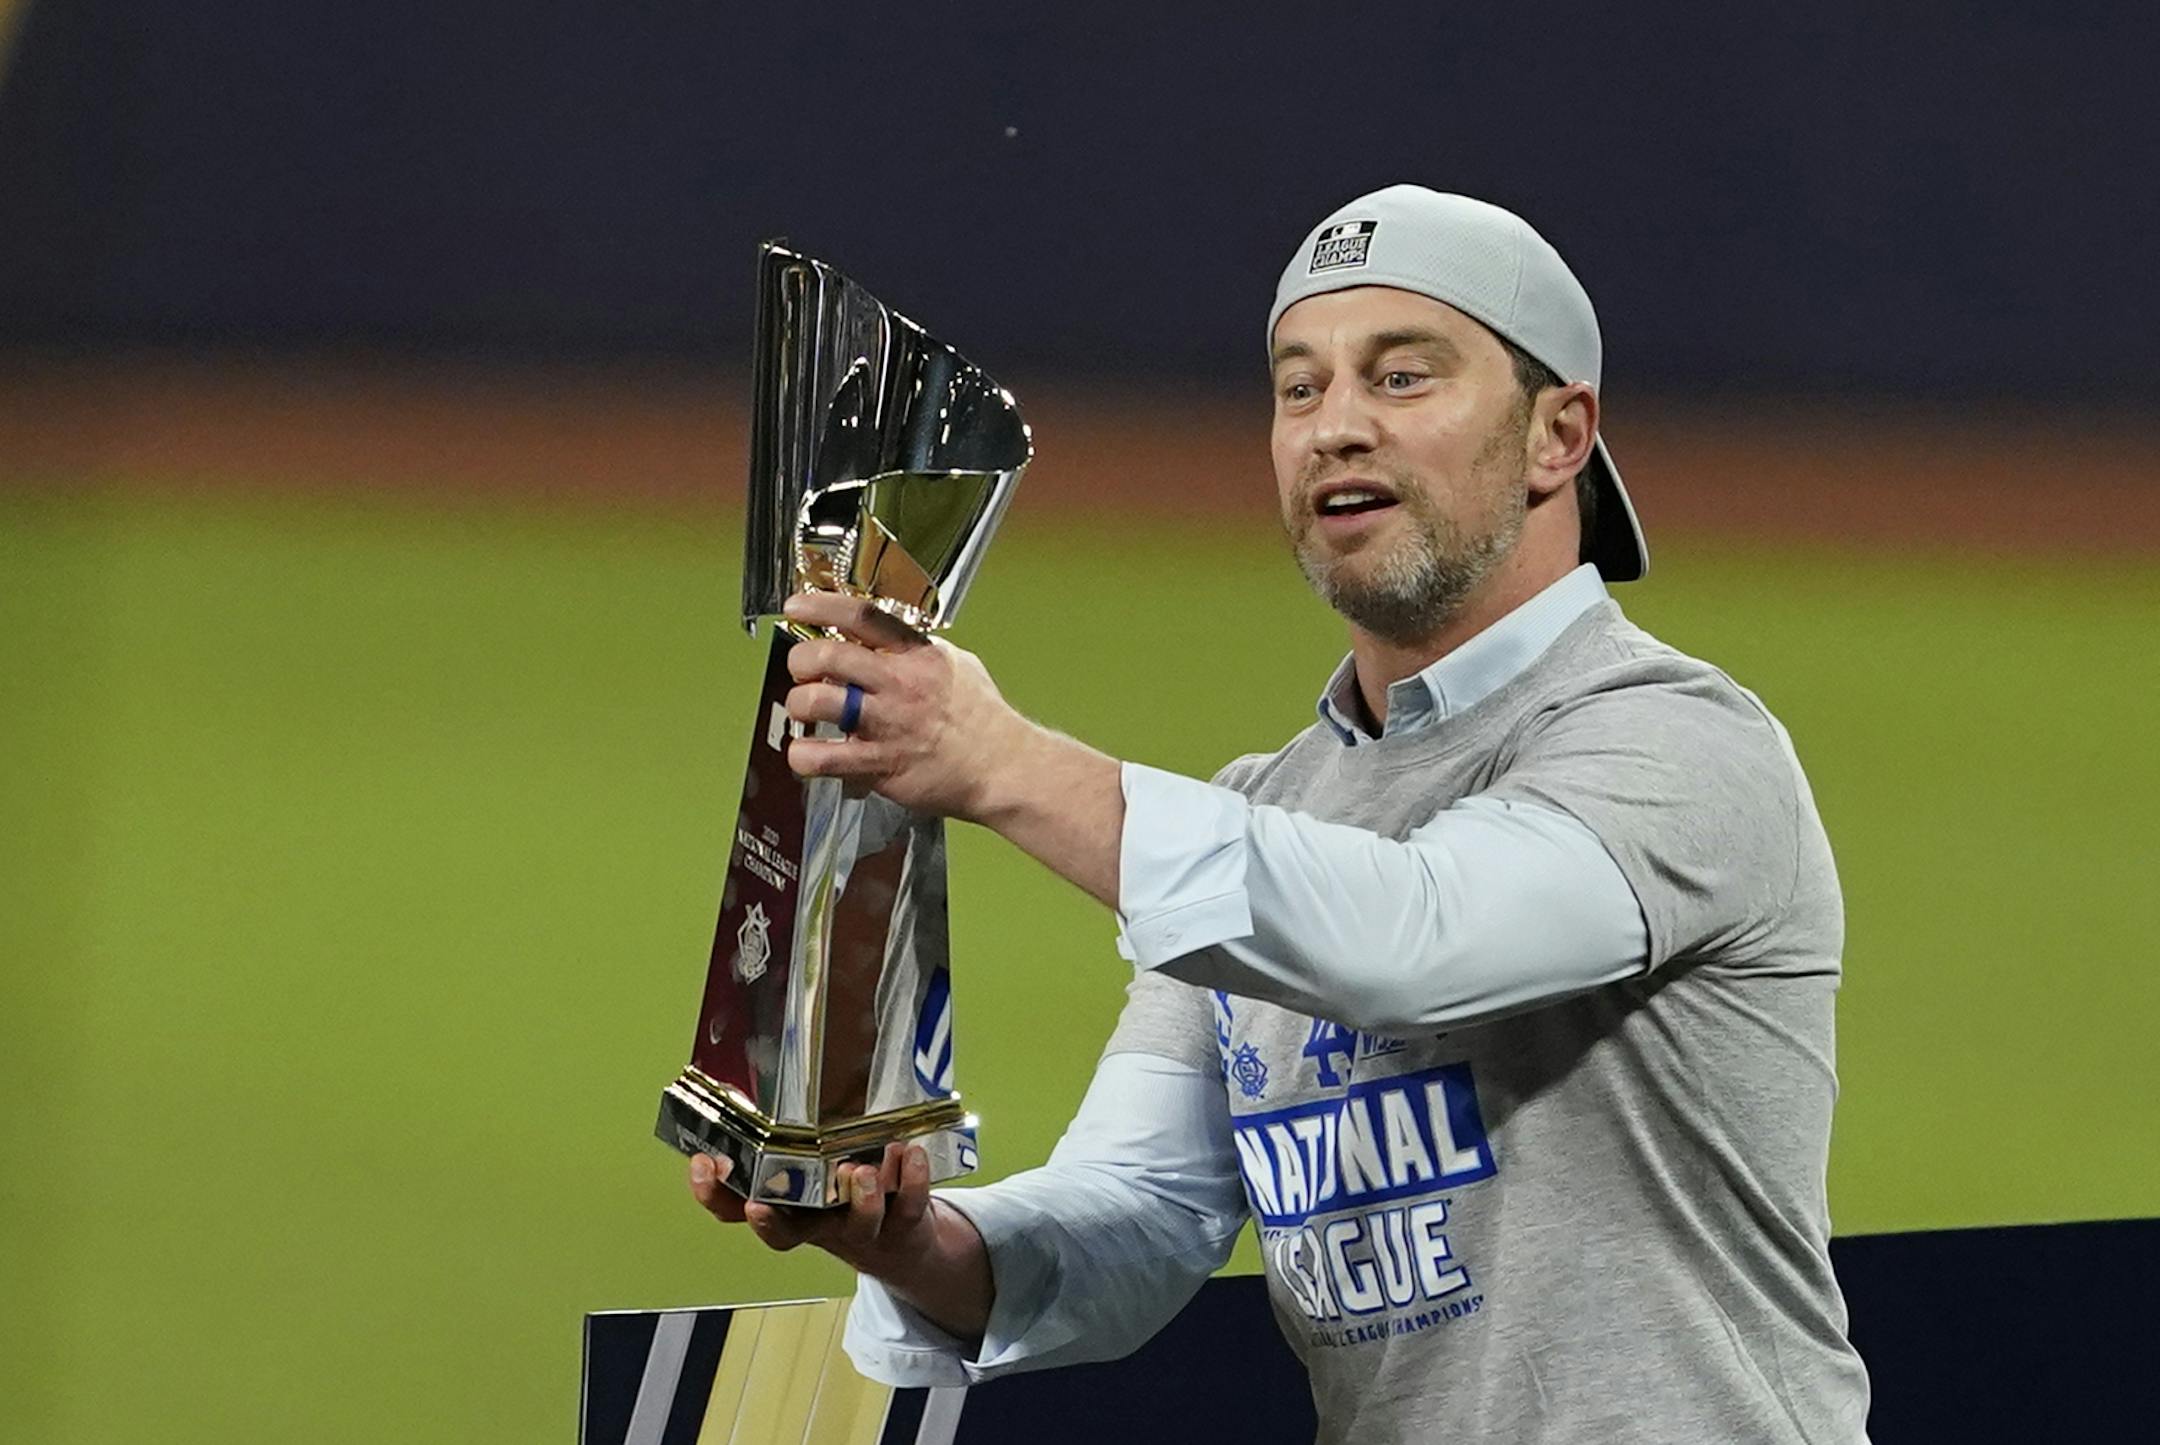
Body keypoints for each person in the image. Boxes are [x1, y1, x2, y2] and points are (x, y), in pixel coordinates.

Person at [688, 185, 1872, 1442]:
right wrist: (916, 1237)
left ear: (1556, 435)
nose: (1337, 427)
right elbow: (1141, 1209)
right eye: (1299, 389)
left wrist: (1000, 763)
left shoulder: (1676, 741)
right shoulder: (1270, 808)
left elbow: (1420, 941)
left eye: (1403, 377)